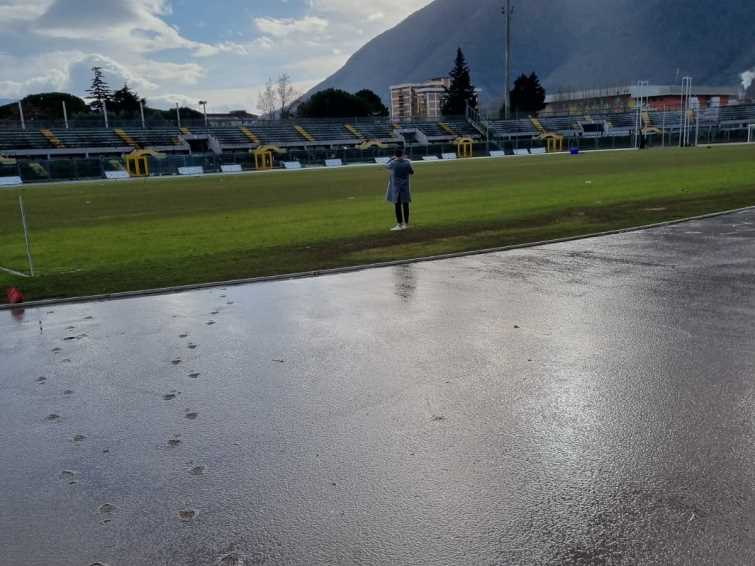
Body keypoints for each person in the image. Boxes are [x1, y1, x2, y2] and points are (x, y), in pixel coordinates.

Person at [385, 147, 414, 231]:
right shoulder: (407, 163)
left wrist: (391, 158)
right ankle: (406, 224)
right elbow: (412, 172)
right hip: (405, 187)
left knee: (397, 205)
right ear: (402, 154)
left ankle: (399, 224)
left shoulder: (393, 163)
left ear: (395, 155)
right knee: (405, 205)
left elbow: (386, 166)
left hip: (396, 187)